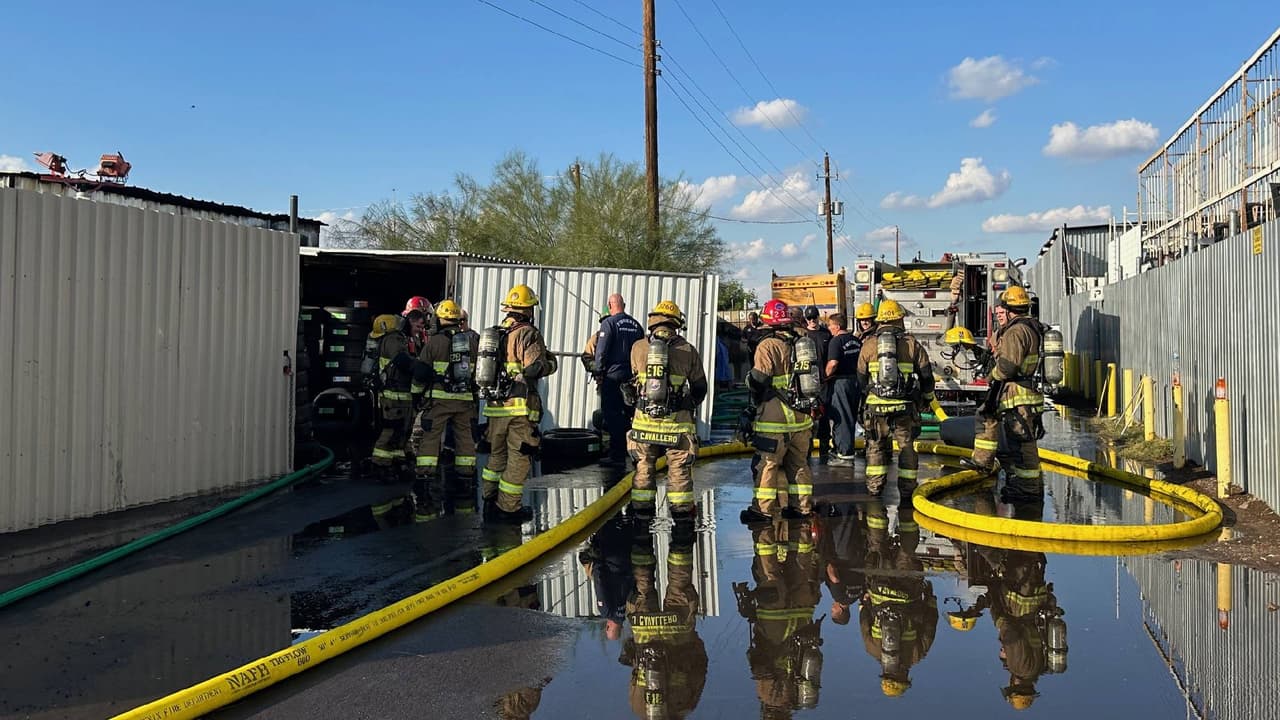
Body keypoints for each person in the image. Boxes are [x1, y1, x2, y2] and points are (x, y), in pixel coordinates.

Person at [480, 284, 558, 523]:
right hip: (519, 408)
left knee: (497, 455)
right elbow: (534, 367)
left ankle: (488, 499)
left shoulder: (496, 334)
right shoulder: (528, 333)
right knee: (520, 457)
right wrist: (550, 361)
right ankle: (508, 508)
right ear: (527, 309)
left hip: (495, 407)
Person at [733, 518, 825, 716]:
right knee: (768, 567)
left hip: (802, 612)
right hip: (774, 616)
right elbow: (761, 668)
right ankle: (763, 522)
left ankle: (801, 520)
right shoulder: (771, 698)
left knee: (801, 563)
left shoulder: (798, 699)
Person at [626, 300, 707, 520]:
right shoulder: (687, 350)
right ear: (676, 323)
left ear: (653, 321)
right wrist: (686, 405)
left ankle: (642, 517)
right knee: (679, 470)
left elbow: (633, 381)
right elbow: (700, 387)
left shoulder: (638, 347)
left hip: (644, 423)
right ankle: (681, 523)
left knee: (643, 467)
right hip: (677, 425)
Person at [741, 299, 817, 523]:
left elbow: (759, 379)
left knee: (768, 464)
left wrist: (749, 381)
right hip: (802, 418)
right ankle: (801, 508)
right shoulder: (801, 342)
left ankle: (762, 511)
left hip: (775, 420)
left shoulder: (769, 345)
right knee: (799, 466)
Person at [622, 522, 707, 719]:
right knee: (642, 585)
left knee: (680, 582)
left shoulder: (686, 706)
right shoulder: (637, 708)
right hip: (643, 628)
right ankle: (640, 534)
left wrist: (692, 640)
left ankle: (682, 537)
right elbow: (634, 674)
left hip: (677, 628)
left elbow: (700, 665)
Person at [963, 286, 1044, 484]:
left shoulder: (1016, 331)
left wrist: (988, 378)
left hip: (1018, 394)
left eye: (1002, 311)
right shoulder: (1030, 326)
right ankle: (983, 461)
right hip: (1017, 392)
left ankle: (1028, 489)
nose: (1000, 315)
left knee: (1022, 443)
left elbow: (1007, 367)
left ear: (1009, 310)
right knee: (986, 415)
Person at [856, 299, 936, 496]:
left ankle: (874, 487)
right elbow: (926, 376)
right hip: (904, 407)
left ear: (880, 320)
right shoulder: (911, 344)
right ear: (900, 318)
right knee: (906, 447)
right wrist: (926, 398)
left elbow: (860, 378)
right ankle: (908, 489)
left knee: (875, 447)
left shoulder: (868, 344)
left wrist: (865, 400)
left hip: (876, 408)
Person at [859, 498, 938, 698]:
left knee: (908, 549)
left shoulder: (916, 655)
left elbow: (930, 624)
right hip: (880, 585)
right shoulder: (872, 650)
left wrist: (930, 599)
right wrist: (866, 599)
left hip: (908, 588)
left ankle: (910, 506)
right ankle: (875, 502)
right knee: (877, 545)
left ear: (905, 675)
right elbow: (863, 617)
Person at [410, 299, 479, 519]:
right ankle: (466, 481)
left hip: (438, 401)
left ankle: (425, 482)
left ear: (440, 319)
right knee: (465, 440)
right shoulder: (471, 342)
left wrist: (415, 395)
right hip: (465, 400)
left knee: (430, 439)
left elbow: (421, 373)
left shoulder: (434, 342)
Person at [594, 293, 645, 468]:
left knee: (612, 416)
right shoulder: (637, 325)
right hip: (632, 379)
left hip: (613, 377)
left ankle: (616, 456)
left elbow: (601, 351)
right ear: (624, 304)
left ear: (609, 305)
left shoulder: (608, 324)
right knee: (632, 416)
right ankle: (636, 453)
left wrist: (598, 371)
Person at [370, 313, 417, 482]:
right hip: (394, 395)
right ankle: (380, 465)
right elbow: (401, 360)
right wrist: (417, 367)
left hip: (397, 395)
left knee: (400, 430)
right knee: (390, 429)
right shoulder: (393, 339)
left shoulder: (386, 340)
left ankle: (395, 462)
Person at [823, 313, 861, 465]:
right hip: (856, 382)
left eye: (830, 325)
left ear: (837, 326)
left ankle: (845, 455)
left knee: (842, 418)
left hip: (841, 382)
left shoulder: (836, 341)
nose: (829, 328)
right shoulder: (856, 341)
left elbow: (833, 364)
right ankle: (845, 449)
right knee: (851, 416)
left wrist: (823, 378)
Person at [804, 305, 833, 460]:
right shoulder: (803, 335)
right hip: (806, 382)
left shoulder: (825, 334)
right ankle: (806, 448)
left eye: (814, 317)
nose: (812, 320)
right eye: (809, 318)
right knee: (808, 416)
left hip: (823, 381)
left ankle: (824, 448)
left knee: (824, 415)